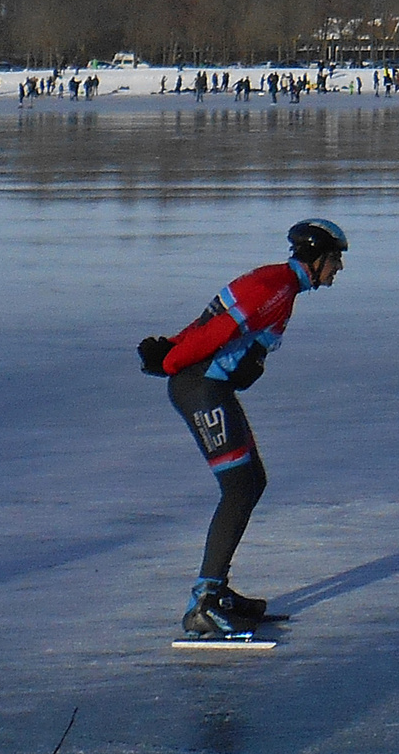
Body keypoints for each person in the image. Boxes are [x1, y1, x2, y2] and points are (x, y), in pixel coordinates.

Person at [138, 219, 348, 637]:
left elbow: (210, 322)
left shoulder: (276, 283)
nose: (339, 268)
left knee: (252, 481)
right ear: (317, 256)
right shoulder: (276, 288)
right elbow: (219, 330)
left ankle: (218, 591)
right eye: (336, 259)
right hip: (201, 388)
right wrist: (170, 360)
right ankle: (205, 602)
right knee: (239, 487)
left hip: (208, 386)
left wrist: (171, 345)